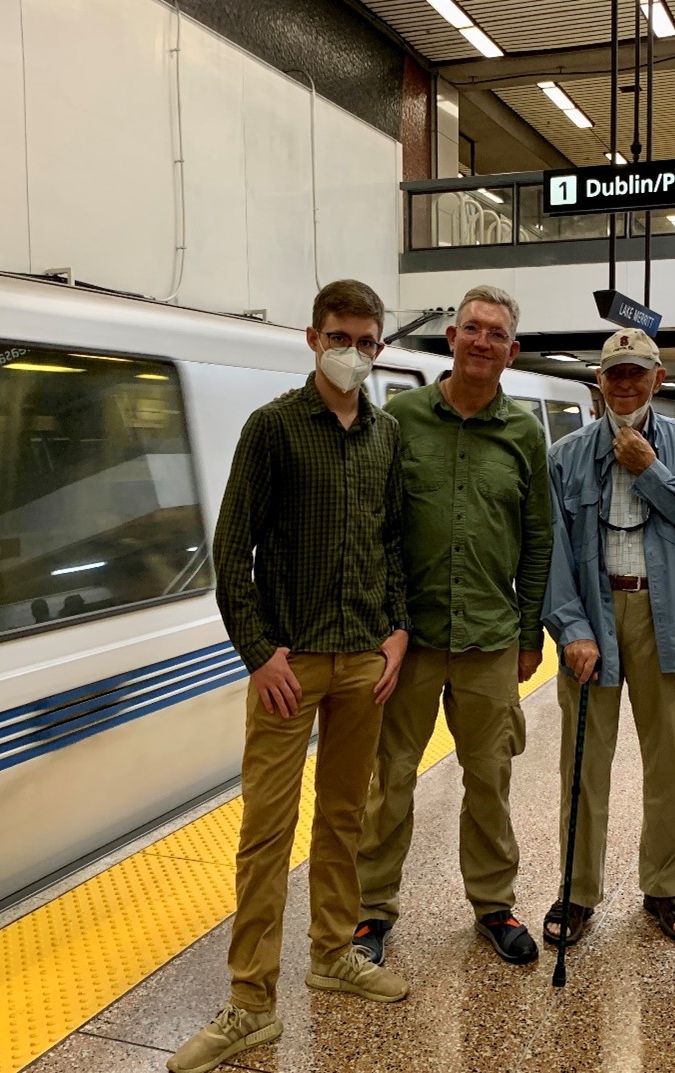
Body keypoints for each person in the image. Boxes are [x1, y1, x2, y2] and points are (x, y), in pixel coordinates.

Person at [169, 280, 410, 1073]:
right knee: (266, 832)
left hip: (363, 663)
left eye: (368, 341)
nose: (355, 353)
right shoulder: (272, 428)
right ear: (312, 338)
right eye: (341, 337)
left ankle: (332, 951)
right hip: (290, 664)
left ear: (380, 347)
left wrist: (398, 629)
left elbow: (393, 543)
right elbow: (229, 549)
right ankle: (250, 1001)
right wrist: (260, 651)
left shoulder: (384, 436)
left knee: (344, 817)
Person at [354, 285, 551, 967]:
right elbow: (374, 528)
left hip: (491, 639)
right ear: (451, 338)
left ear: (511, 350)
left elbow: (537, 538)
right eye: (472, 328)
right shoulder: (400, 418)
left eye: (497, 333)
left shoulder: (525, 431)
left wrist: (532, 632)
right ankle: (370, 911)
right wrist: (381, 623)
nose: (482, 342)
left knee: (489, 778)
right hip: (408, 639)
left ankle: (494, 903)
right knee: (390, 779)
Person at [542, 328, 675, 946]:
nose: (625, 384)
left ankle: (664, 885)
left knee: (671, 760)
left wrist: (651, 473)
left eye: (636, 373)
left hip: (664, 615)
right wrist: (570, 628)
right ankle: (576, 892)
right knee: (584, 761)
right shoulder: (566, 455)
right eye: (614, 374)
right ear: (600, 381)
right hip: (593, 618)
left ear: (657, 379)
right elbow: (552, 555)